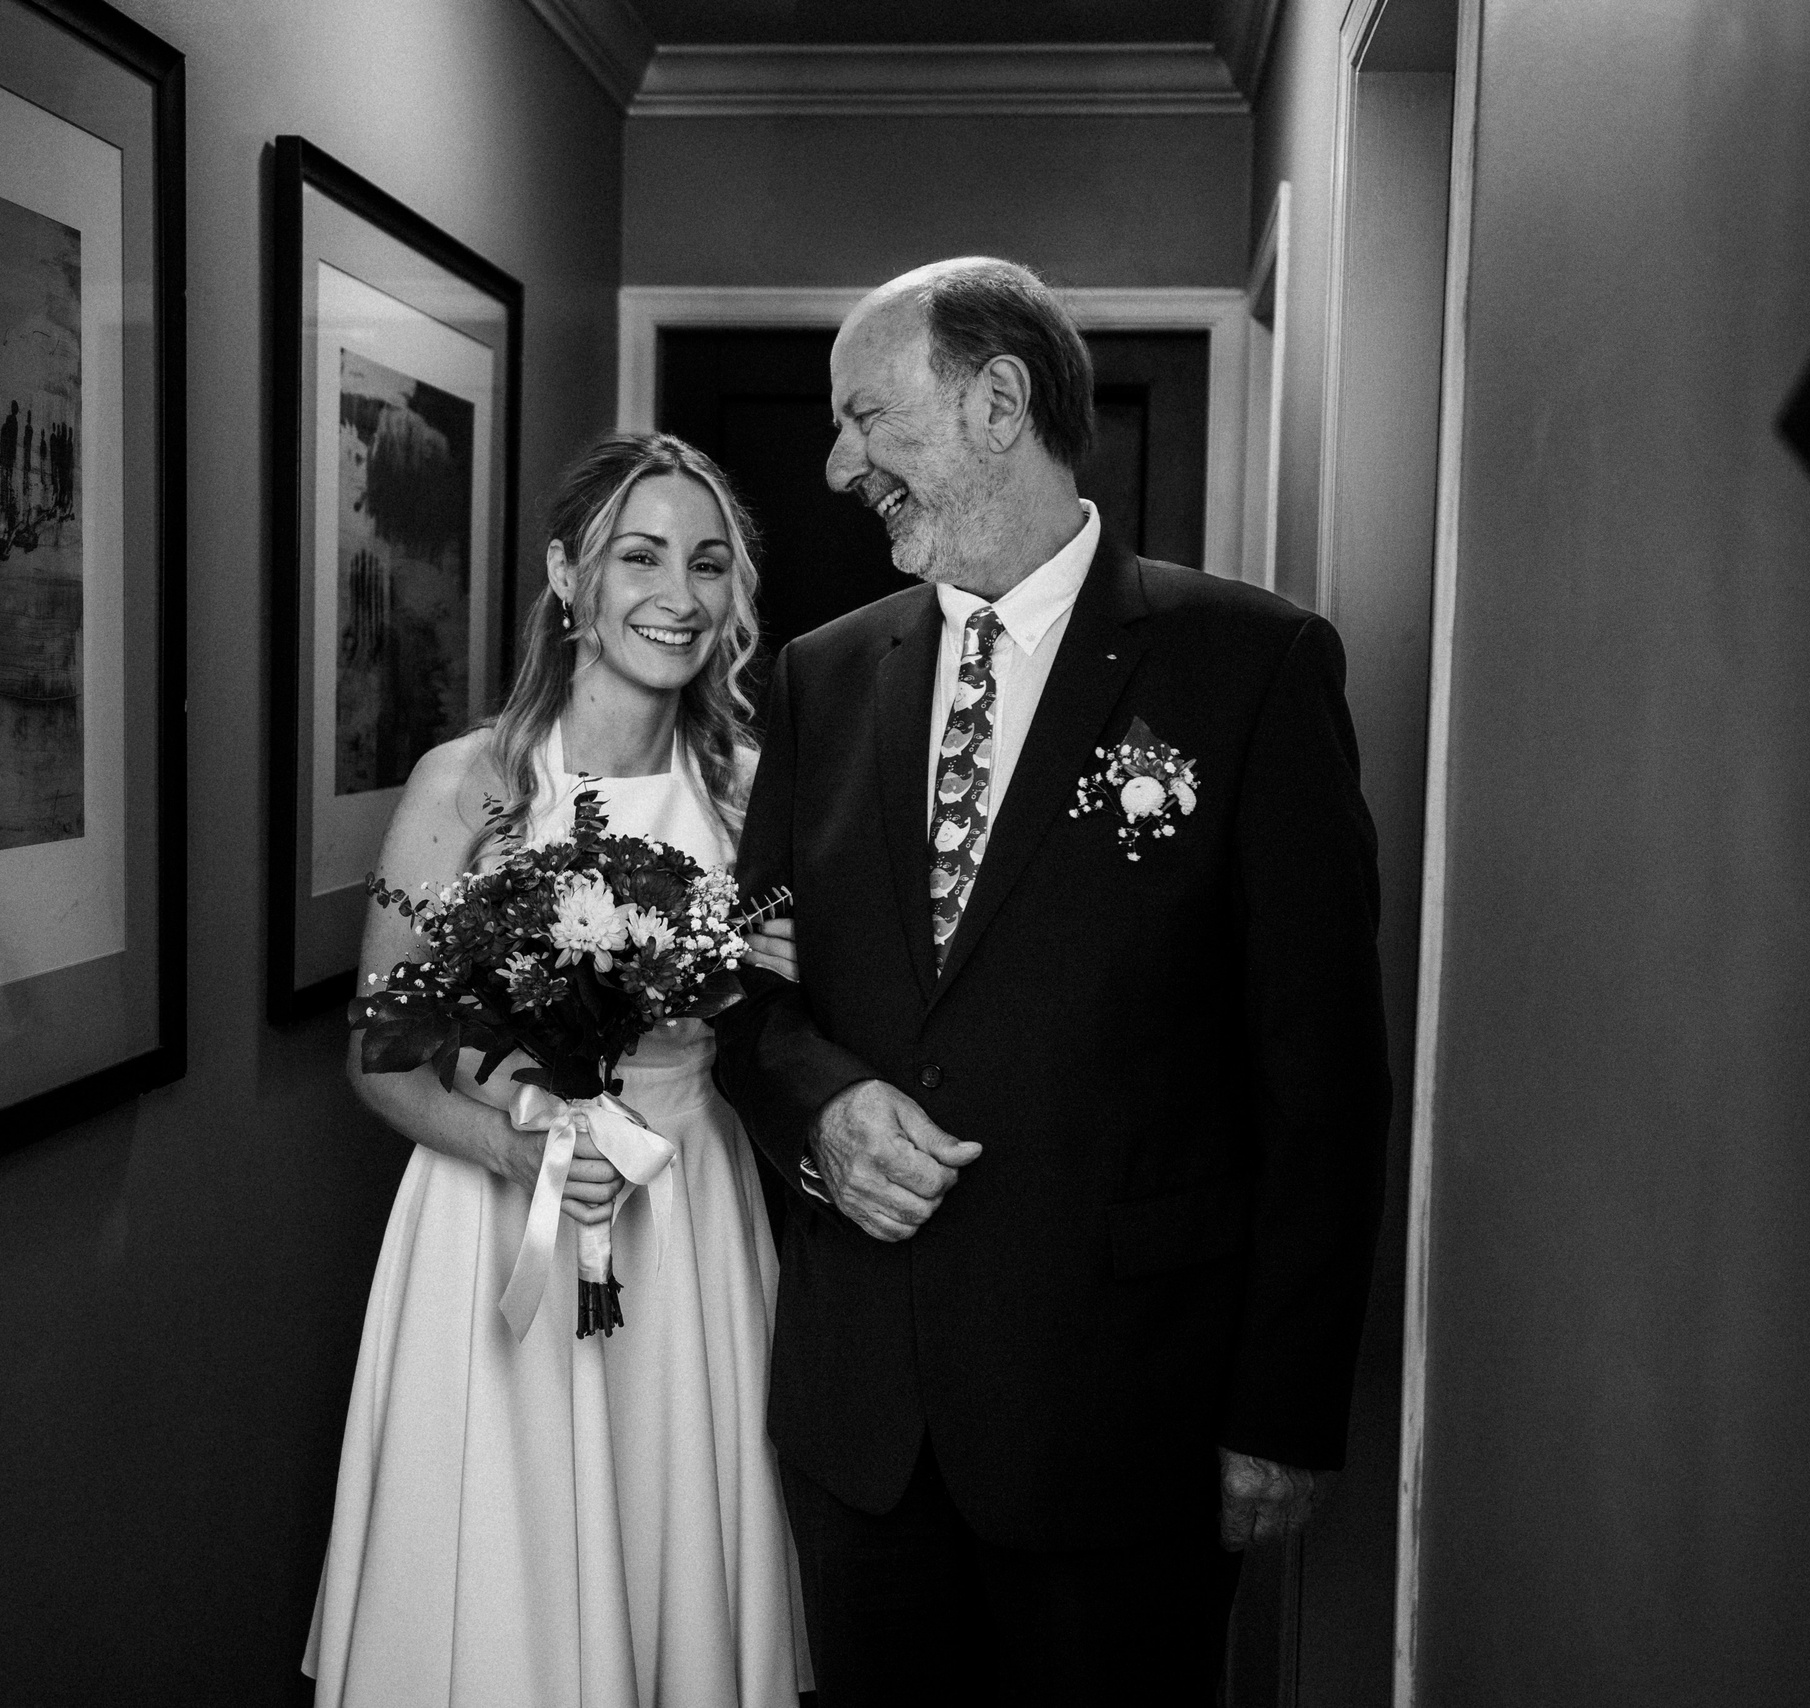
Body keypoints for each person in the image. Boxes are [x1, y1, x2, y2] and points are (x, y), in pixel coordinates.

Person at [711, 258, 1392, 1707]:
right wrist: (822, 1115)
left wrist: (1282, 1409)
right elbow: (749, 1003)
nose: (839, 467)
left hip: (1126, 1427)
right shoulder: (821, 679)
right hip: (866, 1431)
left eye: (867, 418)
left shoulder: (1248, 667)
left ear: (999, 401)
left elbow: (1322, 1073)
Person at [305, 433, 811, 1708]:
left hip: (684, 1210)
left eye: (707, 564)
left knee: (669, 1544)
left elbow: (800, 1037)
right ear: (565, 575)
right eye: (639, 556)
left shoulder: (753, 796)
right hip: (496, 1225)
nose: (678, 597)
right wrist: (512, 1144)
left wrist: (794, 970)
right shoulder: (468, 786)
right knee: (503, 1581)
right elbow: (381, 1050)